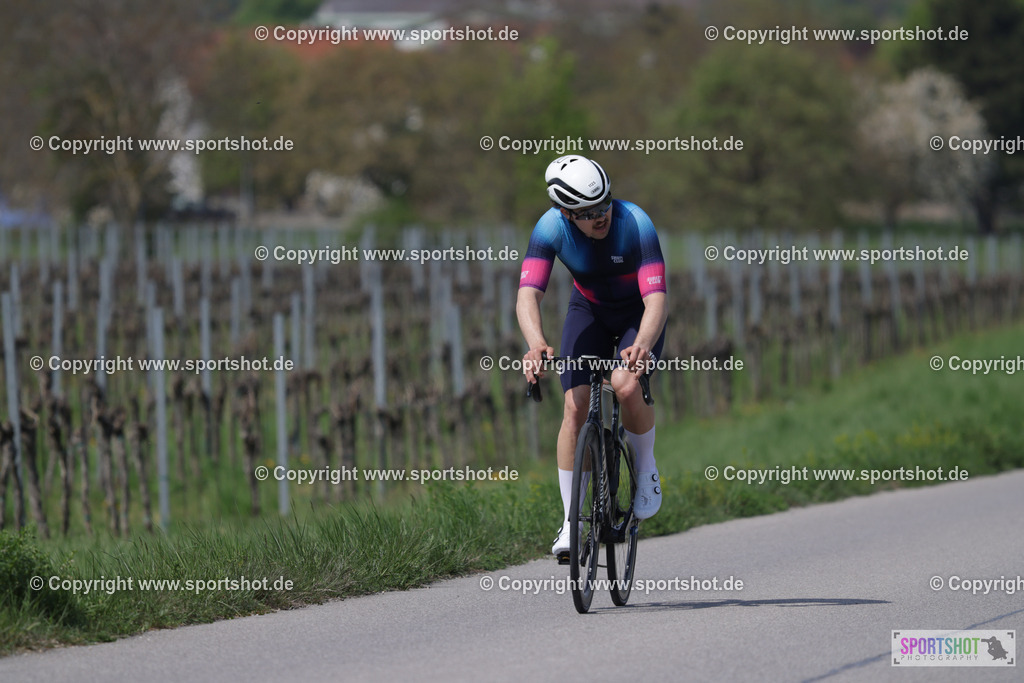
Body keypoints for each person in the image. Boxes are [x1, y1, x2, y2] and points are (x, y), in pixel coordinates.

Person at [516, 155, 668, 559]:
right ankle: (571, 522)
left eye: (604, 204)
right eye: (586, 212)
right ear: (565, 213)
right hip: (590, 309)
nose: (600, 216)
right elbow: (528, 294)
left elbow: (656, 299)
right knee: (574, 406)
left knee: (624, 383)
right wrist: (535, 343)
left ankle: (646, 467)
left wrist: (643, 344)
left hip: (639, 313)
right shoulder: (549, 228)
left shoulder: (635, 222)